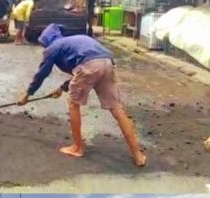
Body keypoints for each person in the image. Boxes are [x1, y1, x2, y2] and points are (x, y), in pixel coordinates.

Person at [18, 23, 146, 167]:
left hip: (90, 65)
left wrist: (27, 94)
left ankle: (77, 148)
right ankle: (138, 155)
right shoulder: (72, 41)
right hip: (107, 62)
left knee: (74, 104)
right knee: (117, 109)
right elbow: (82, 69)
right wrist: (62, 88)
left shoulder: (52, 48)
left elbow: (42, 74)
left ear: (45, 41)